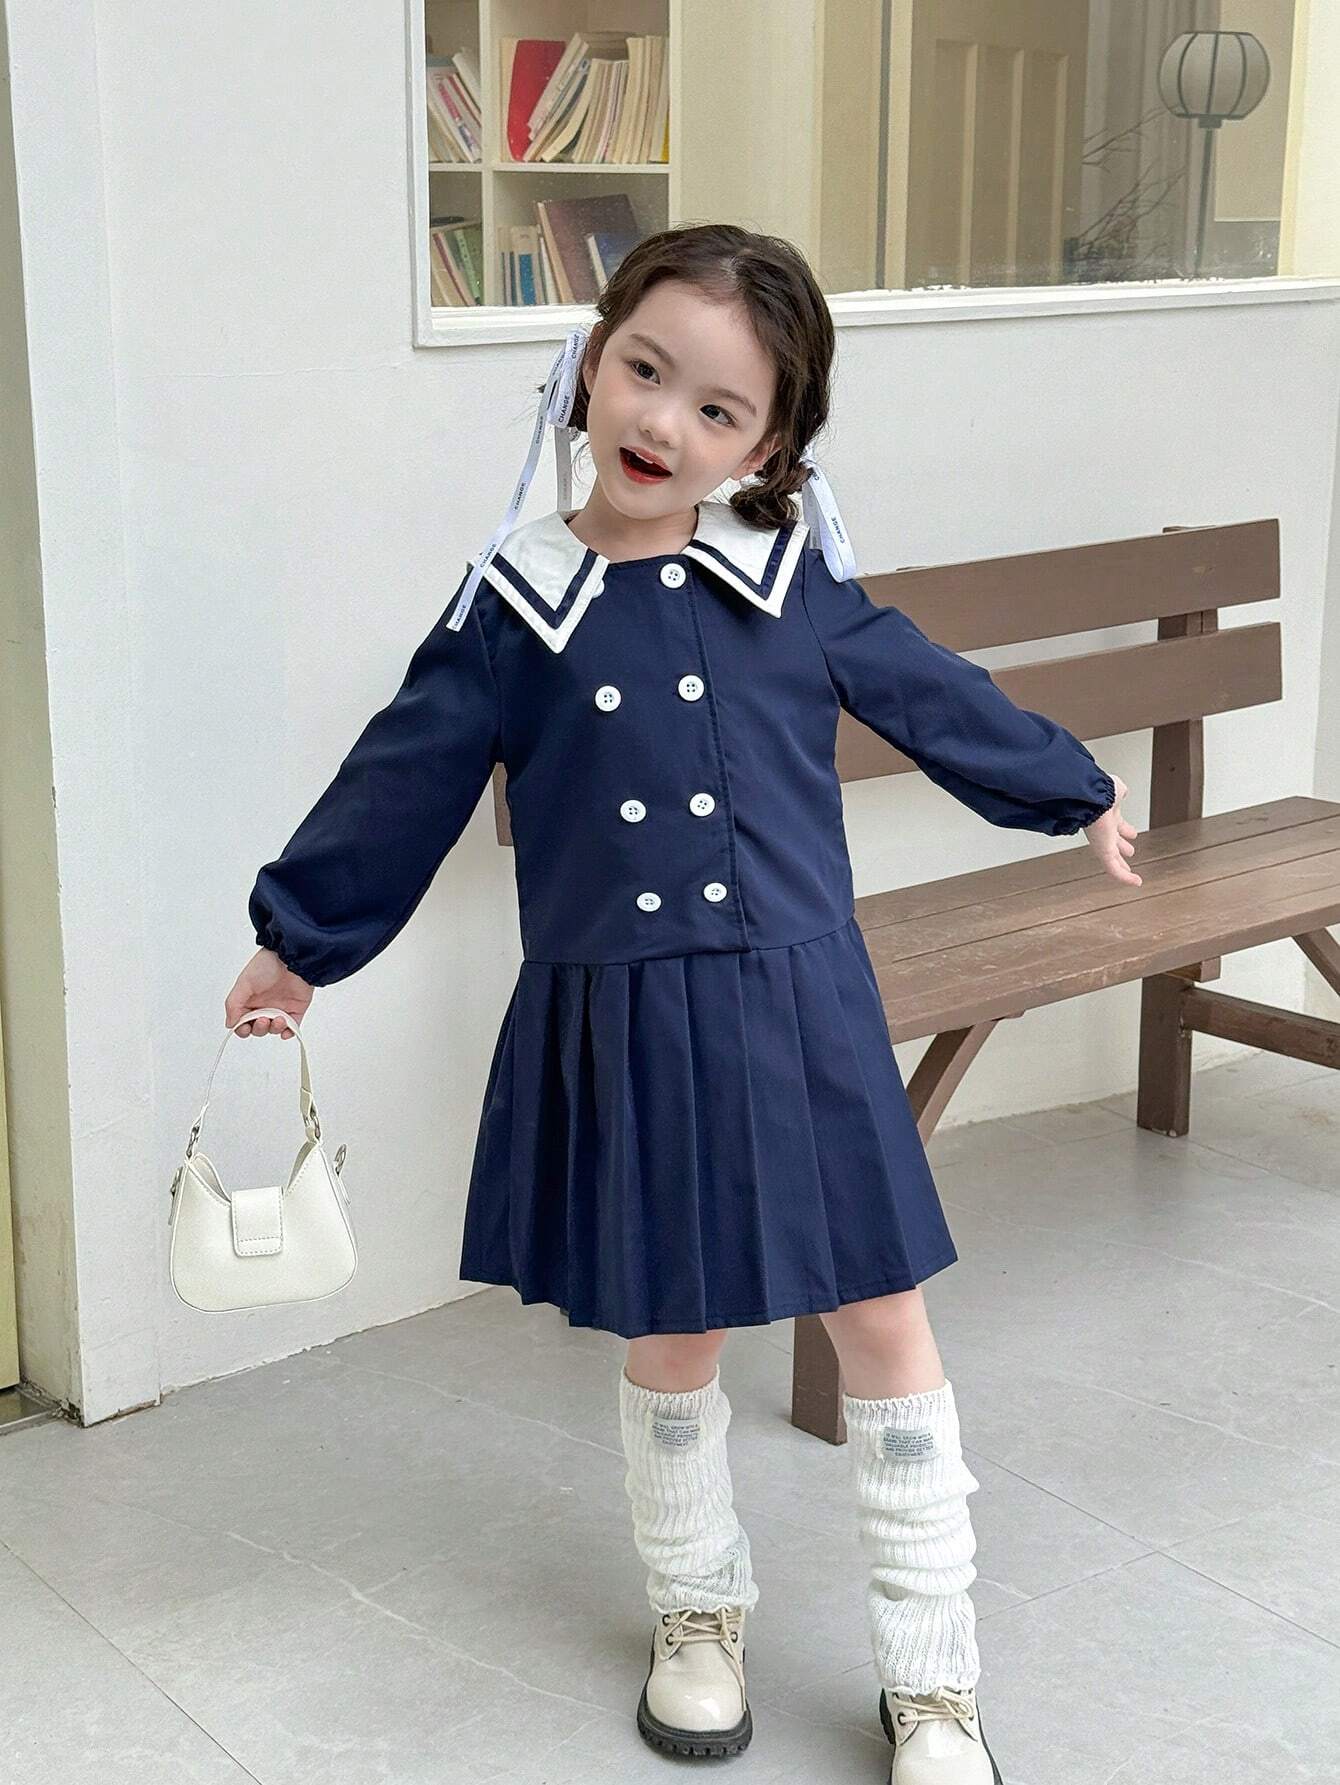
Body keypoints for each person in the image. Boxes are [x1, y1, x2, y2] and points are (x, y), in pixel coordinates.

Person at [226, 223, 1140, 1783]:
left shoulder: (793, 585)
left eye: (717, 408)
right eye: (643, 371)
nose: (663, 422)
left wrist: (1072, 788)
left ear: (767, 447)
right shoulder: (513, 605)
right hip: (627, 1024)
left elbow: (931, 693)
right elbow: (403, 775)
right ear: (590, 361)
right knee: (675, 1327)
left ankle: (934, 1680)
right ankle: (697, 1612)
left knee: (884, 1318)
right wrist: (299, 939)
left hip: (804, 1010)